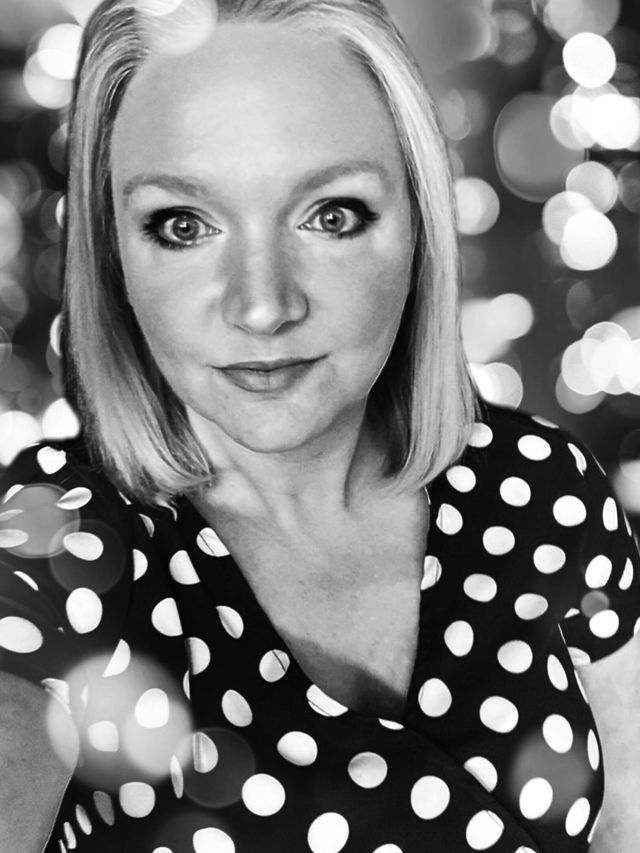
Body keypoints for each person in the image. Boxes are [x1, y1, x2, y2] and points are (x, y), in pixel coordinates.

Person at [0, 0, 638, 850]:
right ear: (112, 250)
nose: (262, 305)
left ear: (418, 222)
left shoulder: (541, 487)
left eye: (331, 215)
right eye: (183, 225)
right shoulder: (53, 548)